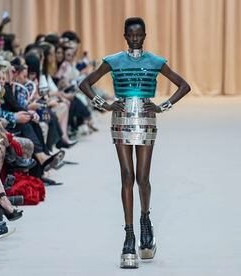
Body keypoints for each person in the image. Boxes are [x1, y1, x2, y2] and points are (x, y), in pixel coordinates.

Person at [79, 17, 191, 268]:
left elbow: (184, 85)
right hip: (120, 119)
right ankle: (129, 236)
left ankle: (145, 221)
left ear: (145, 35)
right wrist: (104, 104)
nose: (135, 38)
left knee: (143, 177)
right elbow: (84, 84)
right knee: (126, 176)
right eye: (131, 34)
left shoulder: (155, 61)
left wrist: (163, 106)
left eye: (139, 35)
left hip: (147, 118)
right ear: (125, 35)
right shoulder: (113, 60)